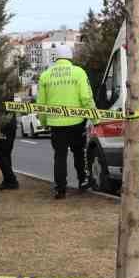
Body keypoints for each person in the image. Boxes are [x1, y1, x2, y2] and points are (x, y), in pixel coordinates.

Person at [36, 56, 94, 199]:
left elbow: (41, 104)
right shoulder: (78, 72)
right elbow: (86, 97)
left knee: (60, 156)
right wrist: (95, 117)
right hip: (77, 122)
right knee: (79, 152)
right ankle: (83, 181)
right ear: (69, 58)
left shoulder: (45, 75)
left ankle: (60, 189)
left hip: (56, 123)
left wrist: (43, 122)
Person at [0, 106, 20, 190]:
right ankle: (8, 180)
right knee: (5, 154)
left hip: (5, 125)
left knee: (0, 154)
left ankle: (11, 181)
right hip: (8, 123)